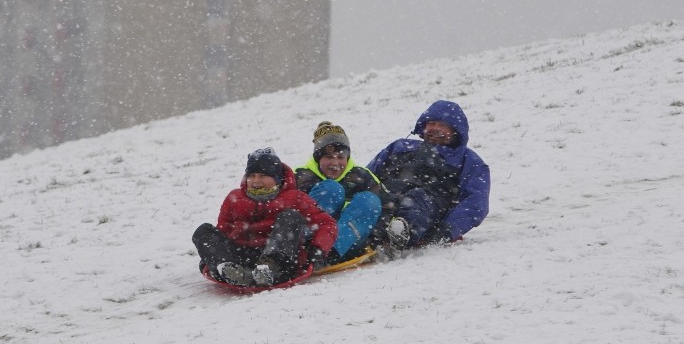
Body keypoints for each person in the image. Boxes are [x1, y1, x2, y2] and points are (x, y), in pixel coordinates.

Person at [192, 147, 338, 287]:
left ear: (277, 179)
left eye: (263, 176)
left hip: (280, 257)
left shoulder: (295, 198)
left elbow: (326, 223)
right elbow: (223, 230)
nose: (256, 181)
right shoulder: (235, 198)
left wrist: (318, 251)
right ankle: (228, 269)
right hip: (240, 256)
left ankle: (268, 269)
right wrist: (212, 255)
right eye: (251, 176)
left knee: (290, 217)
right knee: (203, 231)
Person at [367, 100, 490, 255]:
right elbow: (368, 175)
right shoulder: (400, 146)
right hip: (387, 196)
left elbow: (476, 203)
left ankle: (398, 234)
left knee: (416, 199)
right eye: (431, 123)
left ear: (455, 131)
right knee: (373, 199)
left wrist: (447, 230)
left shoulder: (467, 159)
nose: (436, 129)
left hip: (428, 206)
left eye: (443, 125)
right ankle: (358, 235)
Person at [295, 121, 397, 262]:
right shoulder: (301, 177)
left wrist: (376, 237)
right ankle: (313, 252)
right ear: (318, 158)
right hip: (308, 245)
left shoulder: (361, 176)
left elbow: (388, 206)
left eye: (341, 157)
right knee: (331, 189)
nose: (335, 163)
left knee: (370, 200)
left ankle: (329, 254)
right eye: (329, 157)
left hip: (349, 244)